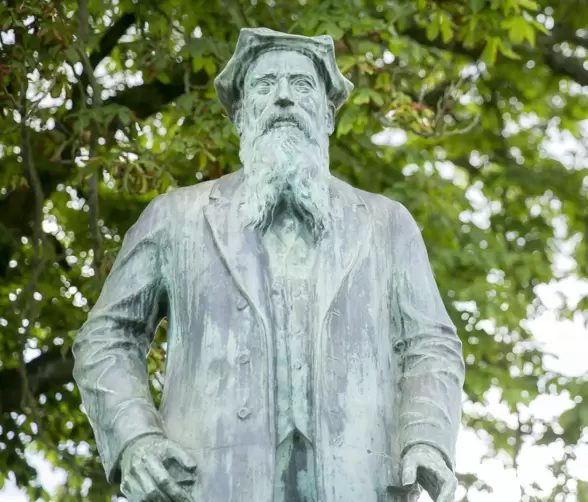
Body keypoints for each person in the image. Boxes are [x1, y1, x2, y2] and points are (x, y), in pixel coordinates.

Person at [73, 27, 465, 502]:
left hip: (360, 483)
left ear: (327, 116)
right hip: (207, 481)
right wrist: (135, 439)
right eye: (264, 86)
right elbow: (106, 336)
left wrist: (425, 439)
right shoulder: (174, 218)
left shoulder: (386, 224)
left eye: (301, 86)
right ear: (240, 115)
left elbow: (431, 344)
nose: (283, 98)